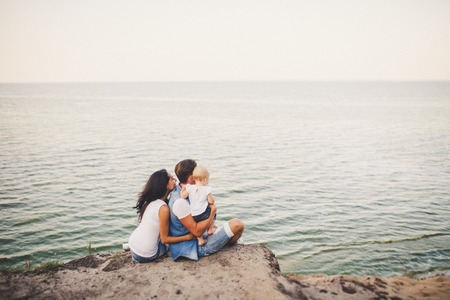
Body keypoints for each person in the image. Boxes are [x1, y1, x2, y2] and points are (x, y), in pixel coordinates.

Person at [168, 159, 244, 261]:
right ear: (191, 178)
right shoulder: (179, 202)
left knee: (229, 228)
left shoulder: (188, 191)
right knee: (237, 225)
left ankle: (221, 240)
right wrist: (212, 212)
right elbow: (197, 232)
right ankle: (223, 244)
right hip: (193, 247)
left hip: (199, 236)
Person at [128, 169, 195, 263]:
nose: (175, 180)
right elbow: (165, 240)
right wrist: (188, 237)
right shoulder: (163, 209)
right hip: (145, 255)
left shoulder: (150, 201)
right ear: (165, 185)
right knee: (171, 239)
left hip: (133, 244)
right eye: (172, 179)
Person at [180, 165, 217, 246]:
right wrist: (211, 201)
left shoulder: (189, 188)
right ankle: (210, 229)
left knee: (198, 226)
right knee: (213, 212)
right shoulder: (206, 189)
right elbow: (211, 201)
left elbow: (183, 196)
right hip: (203, 213)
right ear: (205, 179)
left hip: (194, 214)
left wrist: (183, 189)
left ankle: (200, 240)